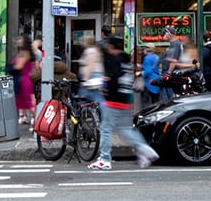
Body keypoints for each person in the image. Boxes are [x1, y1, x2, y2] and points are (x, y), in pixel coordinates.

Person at [88, 36, 159, 171]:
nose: (106, 48)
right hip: (126, 98)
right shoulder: (126, 59)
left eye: (108, 45)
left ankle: (104, 159)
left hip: (113, 100)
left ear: (112, 47)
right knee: (126, 129)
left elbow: (112, 79)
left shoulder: (113, 60)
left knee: (105, 129)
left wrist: (103, 87)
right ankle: (145, 149)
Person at [78, 33, 105, 121]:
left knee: (83, 97)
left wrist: (85, 79)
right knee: (96, 98)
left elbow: (90, 65)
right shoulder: (95, 50)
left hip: (91, 77)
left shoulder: (89, 51)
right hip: (95, 77)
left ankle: (82, 118)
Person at [13, 36, 36, 126]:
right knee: (29, 101)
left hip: (24, 79)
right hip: (26, 78)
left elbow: (19, 66)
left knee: (28, 102)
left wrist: (11, 67)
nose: (17, 42)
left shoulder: (24, 52)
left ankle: (37, 120)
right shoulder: (28, 52)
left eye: (19, 40)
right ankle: (33, 119)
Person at [159, 26, 183, 100]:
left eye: (164, 33)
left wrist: (168, 74)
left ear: (169, 33)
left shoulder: (175, 44)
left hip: (169, 72)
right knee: (166, 93)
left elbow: (173, 61)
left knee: (169, 95)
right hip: (167, 72)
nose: (163, 36)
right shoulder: (174, 44)